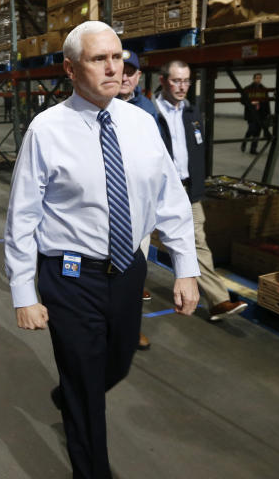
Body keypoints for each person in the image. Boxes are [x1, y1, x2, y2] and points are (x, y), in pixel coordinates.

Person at [4, 21, 200, 478]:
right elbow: (23, 216)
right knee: (88, 389)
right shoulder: (46, 130)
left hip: (129, 269)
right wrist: (23, 291)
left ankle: (72, 392)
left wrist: (186, 267)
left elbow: (169, 197)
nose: (114, 68)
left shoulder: (142, 123)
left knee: (119, 359)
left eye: (118, 57)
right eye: (99, 59)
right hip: (71, 276)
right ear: (71, 69)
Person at [155, 60, 248, 322]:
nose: (182, 86)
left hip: (187, 191)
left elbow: (197, 152)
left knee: (198, 243)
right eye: (176, 81)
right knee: (134, 246)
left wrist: (198, 186)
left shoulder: (192, 112)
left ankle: (218, 301)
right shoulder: (150, 113)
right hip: (153, 192)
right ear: (163, 81)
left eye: (186, 81)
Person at [116, 49, 158, 351]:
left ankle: (131, 330)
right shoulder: (95, 106)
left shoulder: (148, 112)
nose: (125, 76)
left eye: (131, 71)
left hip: (137, 209)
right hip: (103, 207)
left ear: (138, 77)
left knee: (133, 274)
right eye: (122, 69)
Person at [241, 73, 271, 154]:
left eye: (260, 78)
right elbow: (242, 100)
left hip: (261, 113)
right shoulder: (247, 88)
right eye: (257, 78)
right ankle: (244, 142)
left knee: (257, 131)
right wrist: (251, 102)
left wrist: (268, 114)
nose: (258, 79)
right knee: (251, 129)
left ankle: (253, 149)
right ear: (253, 79)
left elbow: (267, 102)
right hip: (251, 113)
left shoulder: (264, 89)